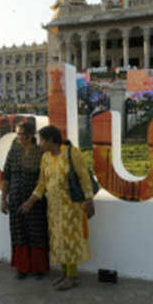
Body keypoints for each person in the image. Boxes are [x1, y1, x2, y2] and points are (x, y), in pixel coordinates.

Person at [19, 125, 95, 291]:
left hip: (71, 207)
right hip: (53, 208)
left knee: (69, 240)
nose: (39, 143)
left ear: (51, 140)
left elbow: (84, 177)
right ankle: (64, 273)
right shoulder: (45, 157)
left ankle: (72, 276)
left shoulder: (71, 153)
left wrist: (89, 200)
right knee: (58, 240)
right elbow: (42, 183)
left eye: (42, 140)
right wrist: (31, 201)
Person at [1, 121, 49, 279]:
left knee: (37, 234)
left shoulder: (41, 153)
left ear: (31, 135)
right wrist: (3, 199)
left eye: (23, 134)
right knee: (18, 233)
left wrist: (31, 201)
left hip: (35, 202)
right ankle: (22, 268)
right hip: (15, 200)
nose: (20, 137)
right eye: (18, 134)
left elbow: (44, 180)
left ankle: (39, 268)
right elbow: (6, 176)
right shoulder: (13, 151)